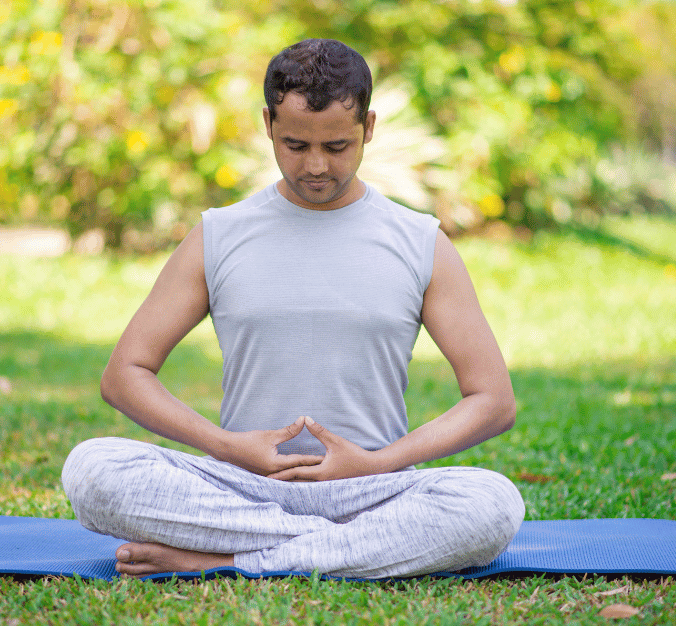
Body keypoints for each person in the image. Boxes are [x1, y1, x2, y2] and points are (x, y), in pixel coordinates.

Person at [62, 38, 525, 579]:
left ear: (368, 127)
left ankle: (229, 559)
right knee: (93, 469)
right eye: (296, 145)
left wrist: (376, 463)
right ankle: (337, 553)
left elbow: (493, 401)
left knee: (492, 503)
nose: (316, 166)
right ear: (268, 125)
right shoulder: (219, 234)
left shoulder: (420, 241)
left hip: (373, 488)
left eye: (337, 146)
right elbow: (124, 375)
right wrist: (227, 447)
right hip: (241, 486)